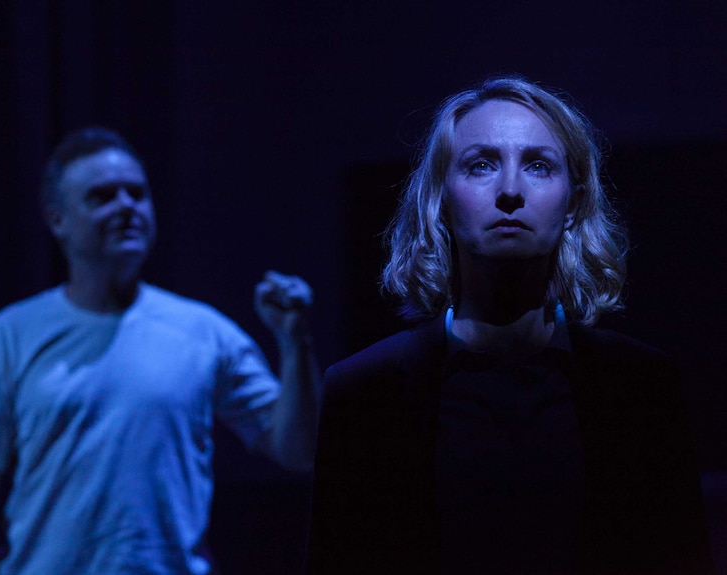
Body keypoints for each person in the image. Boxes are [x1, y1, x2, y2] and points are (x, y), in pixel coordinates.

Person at [306, 76, 713, 575]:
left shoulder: (642, 387)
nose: (510, 191)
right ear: (441, 199)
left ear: (573, 203)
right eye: (481, 165)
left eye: (538, 166)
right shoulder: (365, 392)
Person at [0, 127, 321, 575]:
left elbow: (299, 451)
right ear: (57, 220)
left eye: (137, 193)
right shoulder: (6, 338)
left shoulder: (204, 332)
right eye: (102, 196)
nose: (127, 207)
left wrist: (294, 344)